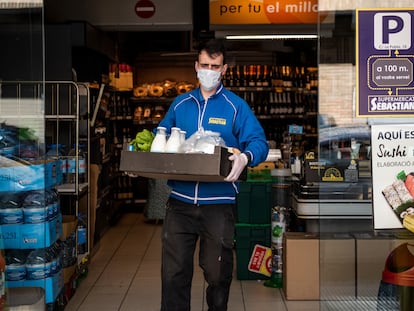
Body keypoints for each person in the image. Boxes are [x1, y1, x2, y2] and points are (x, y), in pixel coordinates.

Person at [159, 39, 269, 311]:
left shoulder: (235, 106)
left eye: (215, 66)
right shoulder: (180, 104)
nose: (209, 70)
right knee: (174, 274)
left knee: (218, 275)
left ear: (224, 69)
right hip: (180, 203)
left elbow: (259, 143)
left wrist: (245, 156)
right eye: (205, 65)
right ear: (196, 66)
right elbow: (158, 138)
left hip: (218, 205)